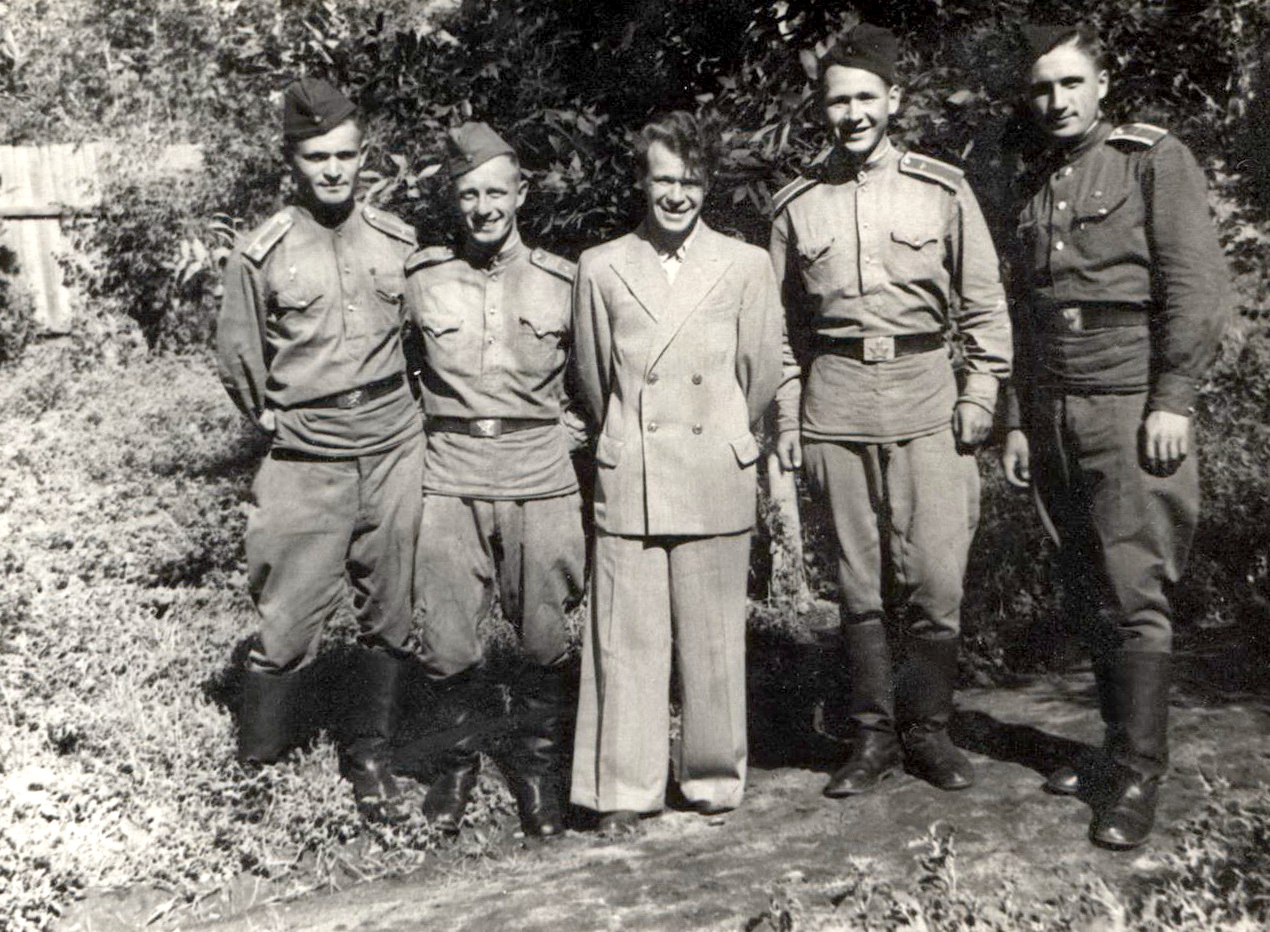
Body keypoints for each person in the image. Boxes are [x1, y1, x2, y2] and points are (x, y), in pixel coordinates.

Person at [1001, 25, 1229, 849]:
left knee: (1135, 590)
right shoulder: (1036, 180)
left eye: (1071, 83)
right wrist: (1020, 420)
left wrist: (1174, 399)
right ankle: (1110, 749)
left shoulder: (1151, 159)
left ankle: (1138, 772)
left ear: (1102, 85)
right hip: (1055, 405)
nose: (1056, 101)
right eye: (1042, 88)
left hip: (1130, 402)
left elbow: (1195, 284)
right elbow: (1026, 313)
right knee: (1085, 584)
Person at [770, 25, 1012, 800]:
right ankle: (872, 737)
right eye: (838, 101)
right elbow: (776, 331)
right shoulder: (796, 206)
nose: (852, 114)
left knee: (936, 578)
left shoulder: (941, 190)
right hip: (836, 403)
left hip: (927, 397)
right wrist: (788, 415)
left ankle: (929, 731)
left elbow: (984, 303)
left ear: (893, 100)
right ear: (822, 109)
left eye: (865, 98)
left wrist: (981, 393)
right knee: (859, 583)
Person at [570, 111, 783, 835]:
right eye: (663, 179)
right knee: (625, 639)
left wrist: (720, 434)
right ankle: (625, 790)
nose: (676, 195)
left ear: (708, 184)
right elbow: (595, 379)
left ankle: (712, 777)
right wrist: (628, 438)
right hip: (634, 470)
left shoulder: (745, 265)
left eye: (690, 181)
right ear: (642, 180)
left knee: (713, 640)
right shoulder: (600, 266)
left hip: (712, 469)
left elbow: (758, 375)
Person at [216, 78, 423, 820]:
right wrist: (284, 418)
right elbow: (241, 358)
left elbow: (421, 339)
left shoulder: (399, 242)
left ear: (364, 155)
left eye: (344, 155)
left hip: (394, 445)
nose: (333, 170)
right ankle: (258, 769)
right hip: (307, 453)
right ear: (292, 162)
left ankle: (370, 758)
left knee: (392, 606)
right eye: (316, 157)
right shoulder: (261, 253)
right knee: (288, 615)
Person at [404, 122, 586, 839]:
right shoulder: (422, 279)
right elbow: (396, 369)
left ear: (521, 193)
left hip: (539, 476)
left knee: (544, 636)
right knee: (446, 637)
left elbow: (596, 381)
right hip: (450, 475)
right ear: (454, 200)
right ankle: (456, 768)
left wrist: (565, 437)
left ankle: (538, 770)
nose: (483, 208)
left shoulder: (563, 282)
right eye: (469, 195)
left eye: (495, 192)